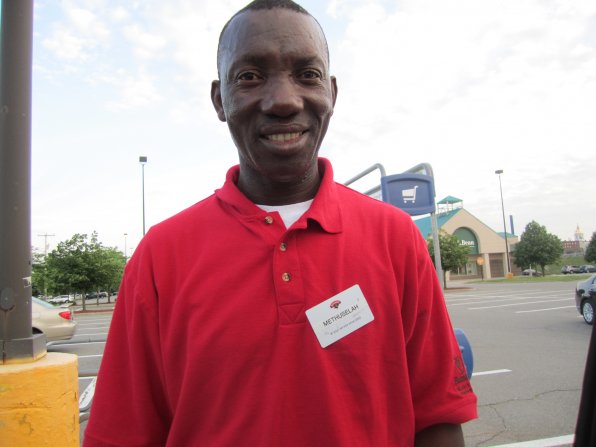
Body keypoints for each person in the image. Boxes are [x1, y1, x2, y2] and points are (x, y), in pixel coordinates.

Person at [83, 1, 477, 446]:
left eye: (307, 75)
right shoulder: (160, 256)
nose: (284, 100)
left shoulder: (395, 238)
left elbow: (438, 417)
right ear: (219, 99)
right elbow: (121, 434)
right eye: (250, 76)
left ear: (331, 91)